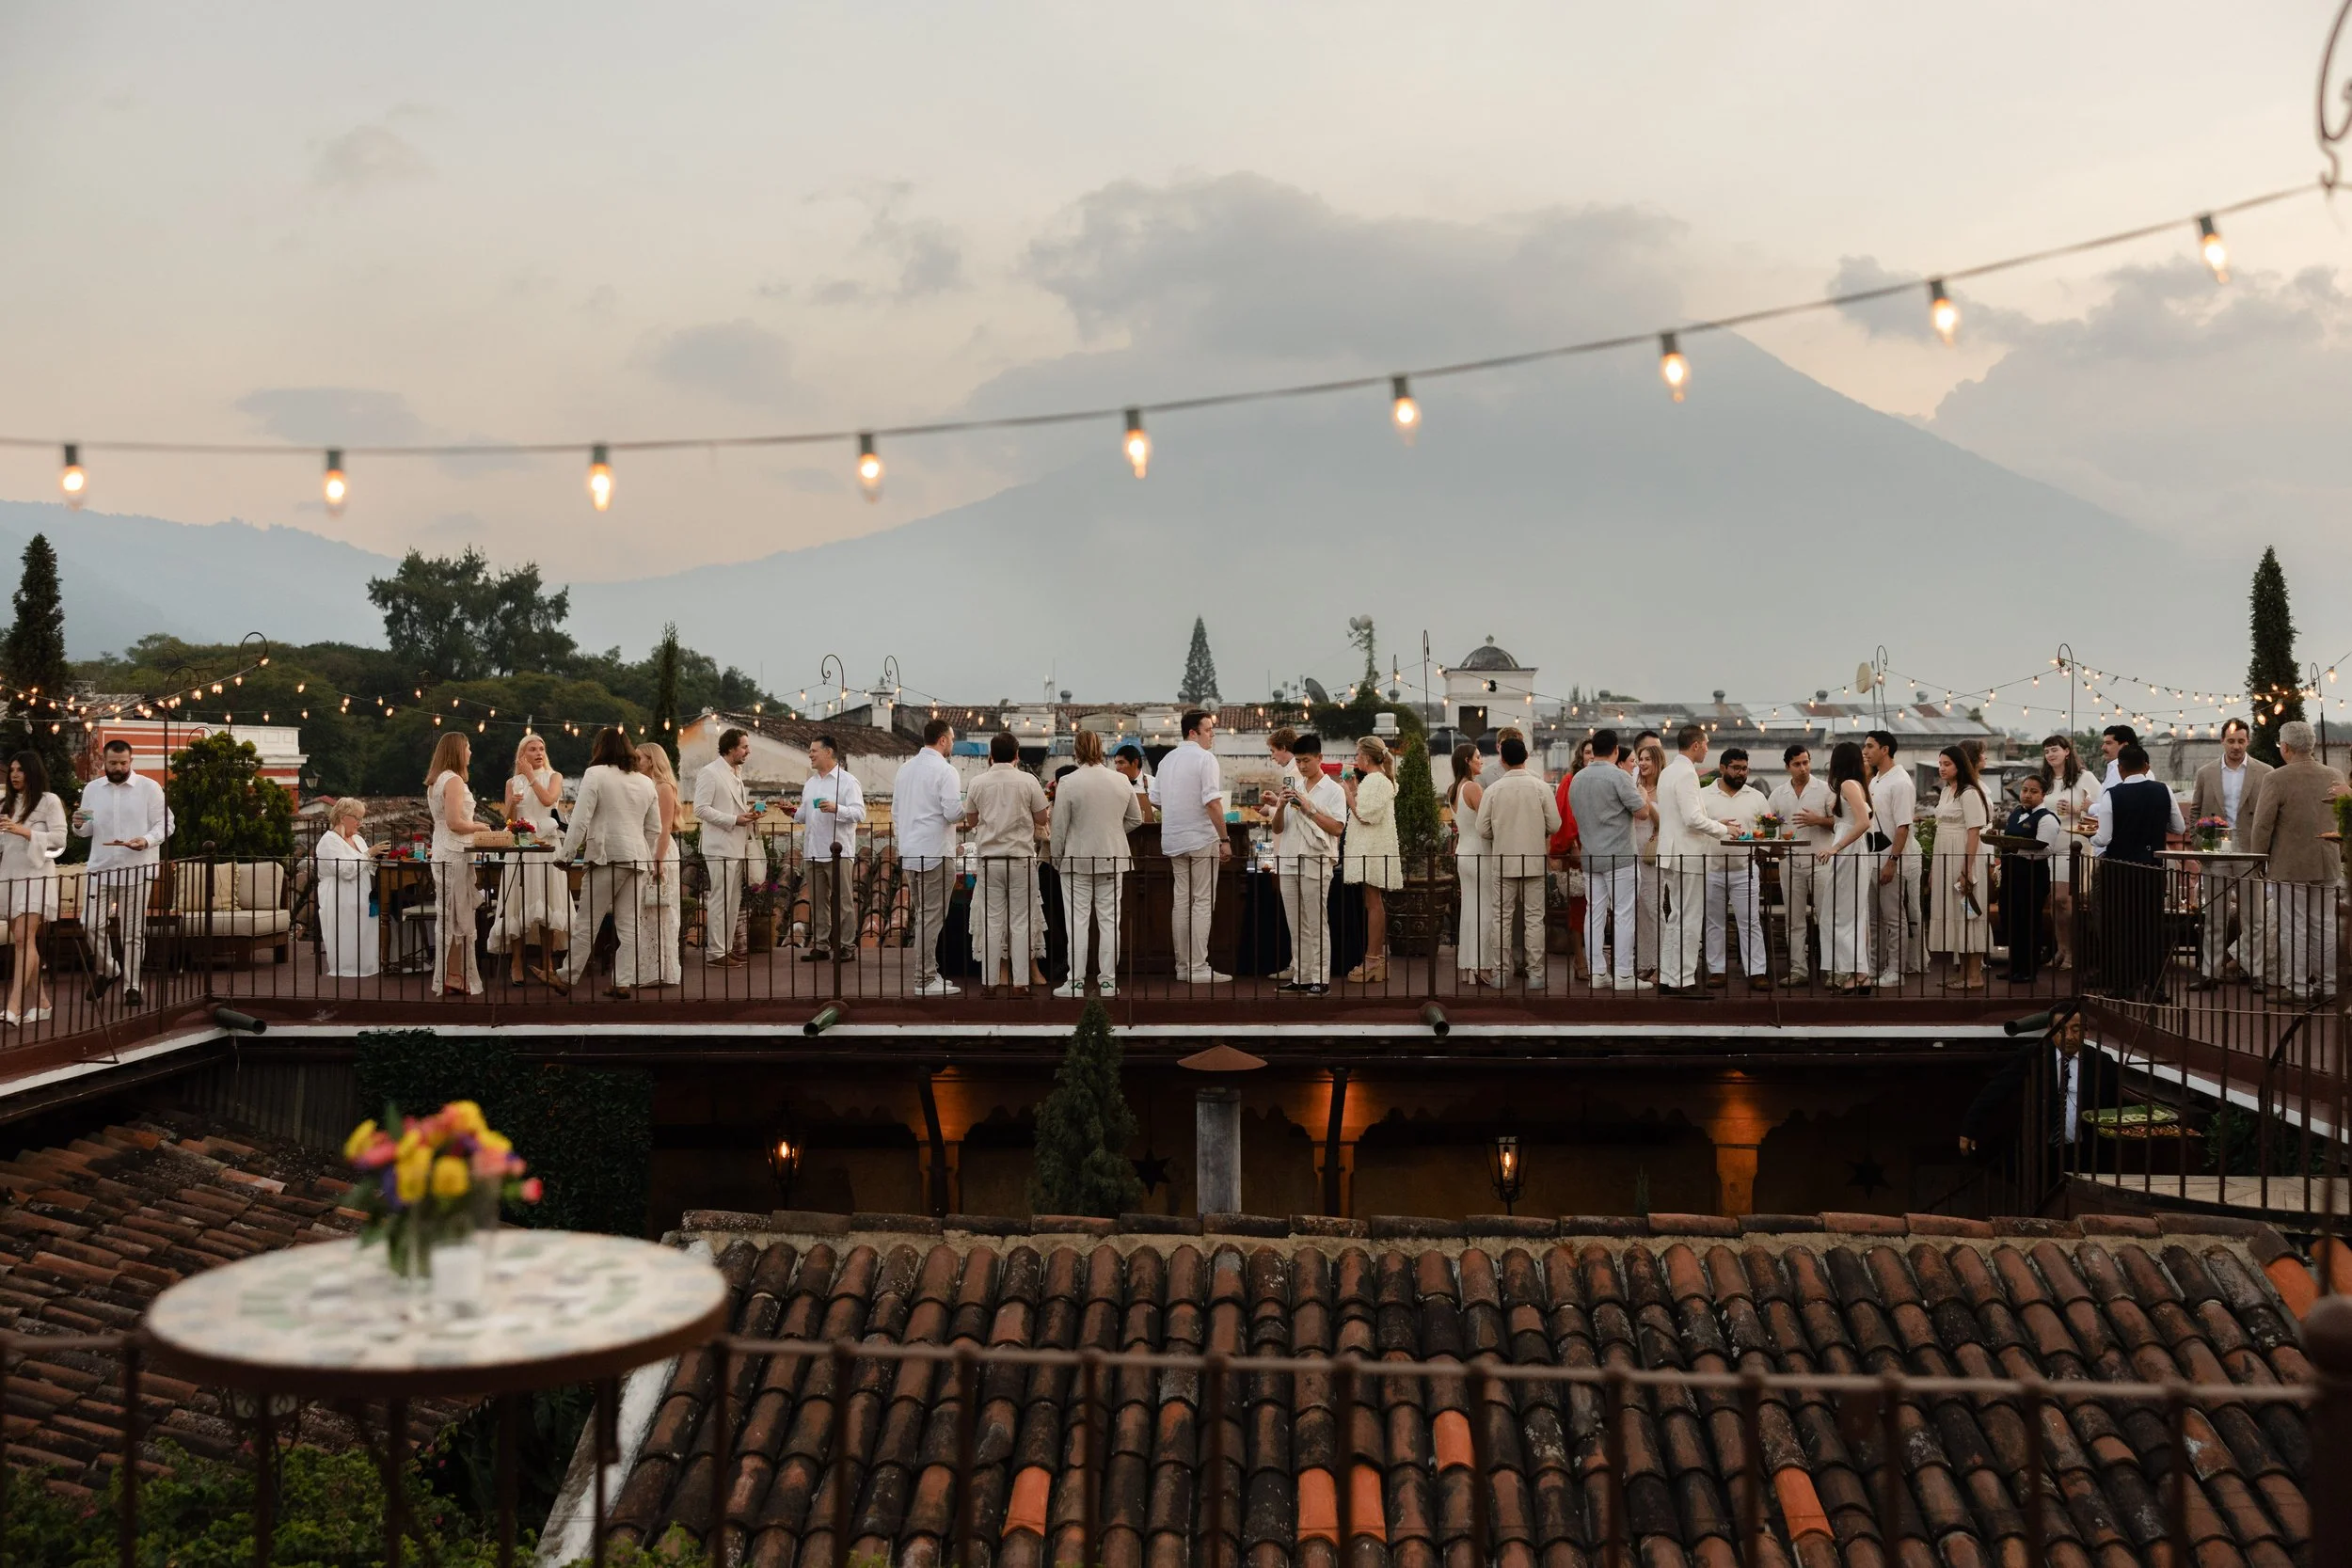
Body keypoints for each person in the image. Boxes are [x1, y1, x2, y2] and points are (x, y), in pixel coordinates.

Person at [2244, 719, 2347, 1005]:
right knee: (2325, 924)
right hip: (2327, 860)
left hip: (2289, 864)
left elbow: (2262, 825)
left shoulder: (2276, 778)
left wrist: (2258, 859)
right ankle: (2327, 986)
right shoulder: (2334, 774)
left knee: (2294, 926)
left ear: (2285, 746)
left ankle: (2298, 988)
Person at [552, 726, 660, 999]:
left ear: (600, 748)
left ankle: (566, 978)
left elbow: (580, 819)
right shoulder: (646, 782)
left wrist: (565, 855)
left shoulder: (595, 774)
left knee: (588, 921)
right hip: (636, 858)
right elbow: (654, 828)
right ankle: (622, 981)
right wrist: (643, 853)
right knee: (629, 925)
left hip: (606, 855)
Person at [1958, 1003, 2122, 1176]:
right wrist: (1969, 1128)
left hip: (2085, 1152)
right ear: (2049, 1031)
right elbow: (1996, 1090)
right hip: (2042, 1150)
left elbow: (2112, 1106)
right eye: (2061, 1030)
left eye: (2076, 1029)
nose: (2069, 1036)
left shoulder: (2102, 1062)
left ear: (2086, 1031)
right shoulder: (2033, 1055)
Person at [74, 737, 167, 1006]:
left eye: (123, 763)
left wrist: (146, 840)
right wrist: (79, 824)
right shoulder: (92, 789)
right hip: (100, 866)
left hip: (136, 868)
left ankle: (133, 986)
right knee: (90, 924)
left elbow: (166, 824)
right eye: (112, 763)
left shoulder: (149, 788)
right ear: (104, 761)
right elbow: (86, 829)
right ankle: (111, 969)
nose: (117, 768)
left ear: (131, 761)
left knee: (133, 932)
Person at [1049, 729, 1142, 997]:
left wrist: (1057, 858)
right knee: (1110, 922)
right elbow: (1135, 819)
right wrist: (1112, 832)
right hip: (1112, 857)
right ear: (1101, 749)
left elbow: (1059, 827)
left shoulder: (1068, 782)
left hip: (1076, 859)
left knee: (1077, 922)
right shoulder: (1121, 780)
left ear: (1076, 752)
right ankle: (1108, 982)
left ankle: (1076, 982)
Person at [2090, 742, 2183, 1001]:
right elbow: (2178, 826)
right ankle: (2155, 986)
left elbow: (2104, 837)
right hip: (2152, 867)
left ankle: (2123, 985)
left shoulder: (2112, 795)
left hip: (2119, 869)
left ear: (2120, 770)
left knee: (2120, 927)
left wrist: (2090, 840)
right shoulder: (2163, 790)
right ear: (2147, 766)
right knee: (2150, 926)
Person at [2187, 718, 2272, 990]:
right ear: (2222, 740)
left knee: (2254, 916)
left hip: (2250, 847)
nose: (2236, 746)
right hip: (2217, 846)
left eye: (2241, 741)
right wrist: (2199, 843)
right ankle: (2210, 973)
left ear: (2248, 741)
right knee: (2215, 915)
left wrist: (2265, 850)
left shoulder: (2265, 771)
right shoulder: (2206, 772)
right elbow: (2196, 811)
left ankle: (2254, 972)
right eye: (2231, 740)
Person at [962, 732, 1050, 996]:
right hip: (1021, 859)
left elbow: (972, 821)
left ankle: (990, 983)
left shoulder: (978, 782)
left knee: (992, 921)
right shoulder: (1028, 781)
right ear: (1017, 755)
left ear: (990, 756)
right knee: (1020, 921)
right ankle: (1021, 982)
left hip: (990, 859)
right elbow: (1042, 816)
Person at [1654, 724, 1733, 998]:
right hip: (1687, 855)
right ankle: (1684, 980)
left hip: (1672, 852)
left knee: (1676, 916)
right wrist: (1723, 830)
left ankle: (1669, 976)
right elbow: (1691, 818)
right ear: (1696, 745)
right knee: (1689, 918)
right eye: (1706, 743)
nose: (1708, 749)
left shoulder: (1667, 772)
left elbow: (1680, 816)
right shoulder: (1687, 773)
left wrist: (1714, 822)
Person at [488, 732, 572, 984]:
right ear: (522, 755)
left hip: (546, 843)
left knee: (547, 901)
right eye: (532, 749)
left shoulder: (554, 777)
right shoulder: (512, 782)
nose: (538, 753)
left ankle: (547, 961)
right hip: (521, 844)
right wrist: (513, 803)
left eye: (541, 748)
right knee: (519, 902)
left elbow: (549, 799)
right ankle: (516, 961)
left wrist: (531, 777)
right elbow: (508, 819)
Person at [1478, 734, 1560, 990]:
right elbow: (1555, 824)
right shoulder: (1541, 787)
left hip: (1503, 860)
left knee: (1501, 918)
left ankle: (1501, 973)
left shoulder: (1493, 790)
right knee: (1535, 919)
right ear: (1526, 757)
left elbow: (1483, 829)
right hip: (1534, 860)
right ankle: (1536, 974)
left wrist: (1500, 833)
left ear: (1502, 758)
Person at [1568, 729, 1647, 989]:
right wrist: (1644, 796)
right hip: (1620, 856)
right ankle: (1624, 974)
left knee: (1594, 915)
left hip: (1591, 856)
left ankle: (1597, 972)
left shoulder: (1577, 779)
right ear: (1615, 750)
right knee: (1624, 914)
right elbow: (1642, 813)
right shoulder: (1619, 776)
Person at [1269, 733, 1346, 994]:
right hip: (1290, 858)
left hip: (1316, 859)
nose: (1302, 767)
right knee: (1295, 922)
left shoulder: (1334, 790)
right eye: (1299, 761)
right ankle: (1301, 976)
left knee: (1316, 921)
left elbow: (1337, 828)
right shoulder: (1294, 786)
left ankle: (1320, 977)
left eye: (1306, 761)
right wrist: (1280, 806)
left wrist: (1309, 809)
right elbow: (1278, 828)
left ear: (1319, 758)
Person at [1158, 709, 1230, 985]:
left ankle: (1183, 966)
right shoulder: (1205, 758)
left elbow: (1156, 798)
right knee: (1201, 903)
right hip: (1201, 838)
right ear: (1193, 732)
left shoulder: (1167, 760)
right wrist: (1225, 839)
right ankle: (1198, 967)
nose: (1212, 734)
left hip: (1174, 839)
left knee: (1182, 902)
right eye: (1209, 729)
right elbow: (1212, 802)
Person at [896, 719, 966, 997]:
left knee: (923, 915)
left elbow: (896, 812)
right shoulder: (945, 771)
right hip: (936, 851)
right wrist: (970, 809)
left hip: (910, 851)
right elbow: (952, 813)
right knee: (932, 917)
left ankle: (929, 972)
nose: (952, 744)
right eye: (951, 739)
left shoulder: (904, 769)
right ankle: (924, 978)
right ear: (943, 740)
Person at [0, 752, 64, 1025]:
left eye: (20, 770)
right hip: (10, 873)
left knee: (25, 939)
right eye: (12, 770)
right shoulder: (5, 804)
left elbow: (60, 840)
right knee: (23, 940)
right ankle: (42, 1003)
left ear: (32, 772)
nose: (14, 775)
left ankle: (13, 1005)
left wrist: (24, 831)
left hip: (37, 874)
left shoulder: (49, 801)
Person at [1699, 747, 1771, 991]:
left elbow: (1769, 829)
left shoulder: (1757, 797)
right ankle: (1717, 971)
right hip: (1711, 867)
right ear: (1722, 768)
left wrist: (1762, 851)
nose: (1742, 773)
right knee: (1713, 922)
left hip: (1745, 869)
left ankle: (1757, 971)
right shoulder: (1703, 796)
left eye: (1745, 769)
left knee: (1750, 921)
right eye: (1736, 768)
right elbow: (1697, 829)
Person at [424, 733, 487, 998]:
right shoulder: (453, 781)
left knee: (451, 914)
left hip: (443, 848)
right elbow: (455, 822)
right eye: (468, 747)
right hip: (454, 850)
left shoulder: (437, 781)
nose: (471, 752)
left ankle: (454, 974)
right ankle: (454, 975)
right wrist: (480, 826)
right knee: (456, 915)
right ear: (458, 751)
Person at [691, 727, 760, 968]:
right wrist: (734, 820)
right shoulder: (710, 773)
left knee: (733, 900)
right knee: (720, 899)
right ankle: (715, 953)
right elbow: (700, 809)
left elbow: (730, 806)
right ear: (731, 748)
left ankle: (726, 948)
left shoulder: (736, 773)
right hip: (719, 846)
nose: (748, 751)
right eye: (744, 746)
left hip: (737, 845)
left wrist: (747, 815)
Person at [1926, 744, 1992, 990]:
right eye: (1940, 763)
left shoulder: (1970, 793)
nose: (1942, 768)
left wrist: (1966, 868)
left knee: (1969, 913)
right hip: (1944, 853)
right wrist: (1934, 869)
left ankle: (1975, 975)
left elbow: (1974, 831)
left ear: (1959, 765)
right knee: (1955, 913)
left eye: (1947, 764)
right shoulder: (1946, 792)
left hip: (1963, 855)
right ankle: (1963, 973)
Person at [1768, 743, 1834, 987]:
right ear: (1788, 766)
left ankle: (1833, 969)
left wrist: (1818, 820)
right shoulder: (1777, 794)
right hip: (1789, 862)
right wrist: (1774, 849)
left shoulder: (1826, 790)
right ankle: (1798, 969)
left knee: (1826, 917)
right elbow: (1768, 827)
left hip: (1821, 859)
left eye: (1806, 762)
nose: (1803, 768)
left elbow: (1841, 823)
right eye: (1797, 764)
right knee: (1793, 919)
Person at [795, 736, 866, 963]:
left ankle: (847, 946)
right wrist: (792, 812)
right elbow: (805, 815)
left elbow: (859, 814)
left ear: (829, 752)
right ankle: (821, 945)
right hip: (813, 851)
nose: (810, 754)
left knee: (843, 901)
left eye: (814, 750)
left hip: (839, 853)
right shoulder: (810, 783)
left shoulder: (848, 782)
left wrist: (837, 808)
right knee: (817, 901)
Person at [1814, 741, 1877, 992]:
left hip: (1849, 852)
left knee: (1842, 914)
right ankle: (1858, 972)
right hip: (1851, 852)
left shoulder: (1849, 785)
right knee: (1844, 913)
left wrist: (1835, 847)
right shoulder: (1855, 785)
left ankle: (1859, 973)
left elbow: (1863, 823)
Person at [1862, 731, 1920, 990]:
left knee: (1894, 918)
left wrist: (1892, 861)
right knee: (1874, 919)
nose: (1866, 751)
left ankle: (1896, 970)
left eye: (1870, 746)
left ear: (1884, 750)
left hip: (1890, 860)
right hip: (1871, 858)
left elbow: (1903, 826)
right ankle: (1875, 967)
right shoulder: (1875, 780)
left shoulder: (1901, 782)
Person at [2037, 735, 2099, 971]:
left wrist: (2076, 810)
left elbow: (2101, 809)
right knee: (2054, 900)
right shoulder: (2047, 780)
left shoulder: (2085, 778)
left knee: (2065, 898)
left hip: (2074, 842)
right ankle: (2060, 947)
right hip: (2049, 843)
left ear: (2066, 751)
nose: (2050, 755)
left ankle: (2073, 951)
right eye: (2046, 752)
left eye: (2054, 750)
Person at [1341, 736, 1400, 984]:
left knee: (1373, 902)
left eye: (1357, 754)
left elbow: (1364, 815)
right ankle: (1373, 957)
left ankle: (1373, 958)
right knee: (1371, 901)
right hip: (1372, 847)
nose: (1355, 759)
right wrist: (1354, 789)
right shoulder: (1377, 780)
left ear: (1366, 756)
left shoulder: (1376, 780)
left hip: (1372, 849)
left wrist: (1347, 793)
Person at [1997, 775, 2062, 985]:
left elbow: (2046, 849)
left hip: (2032, 876)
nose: (2027, 794)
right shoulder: (2016, 813)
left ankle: (2028, 969)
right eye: (2025, 790)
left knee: (2028, 922)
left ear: (2043, 794)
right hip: (2011, 873)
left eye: (2033, 791)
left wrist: (2016, 849)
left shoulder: (2047, 818)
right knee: (2011, 920)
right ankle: (2015, 965)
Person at [634, 744, 683, 988]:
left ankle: (662, 970)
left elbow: (665, 827)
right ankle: (645, 969)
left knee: (661, 910)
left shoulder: (663, 787)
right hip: (642, 848)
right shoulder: (640, 784)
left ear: (651, 760)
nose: (635, 760)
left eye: (639, 757)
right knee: (644, 913)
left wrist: (658, 860)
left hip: (658, 849)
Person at [315, 797, 380, 979]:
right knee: (346, 930)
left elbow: (365, 865)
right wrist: (368, 855)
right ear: (343, 817)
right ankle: (348, 967)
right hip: (339, 894)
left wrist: (375, 859)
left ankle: (368, 965)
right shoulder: (329, 841)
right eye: (357, 818)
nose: (360, 823)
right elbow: (344, 870)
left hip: (362, 892)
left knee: (365, 929)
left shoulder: (358, 840)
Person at [1446, 743, 1488, 982]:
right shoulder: (1473, 787)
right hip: (1480, 853)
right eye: (1478, 757)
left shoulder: (1453, 788)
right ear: (1467, 761)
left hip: (1464, 851)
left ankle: (1469, 967)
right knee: (1485, 908)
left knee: (1470, 909)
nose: (1481, 761)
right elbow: (1486, 823)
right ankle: (1481, 965)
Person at [1630, 738, 1663, 981]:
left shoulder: (1663, 789)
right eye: (1640, 759)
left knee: (1654, 908)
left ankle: (1662, 960)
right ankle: (1645, 960)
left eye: (1647, 759)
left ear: (1657, 762)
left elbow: (1665, 822)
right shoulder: (1632, 785)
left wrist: (1647, 802)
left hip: (1653, 850)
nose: (1642, 763)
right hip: (1633, 847)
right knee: (1639, 908)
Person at [1112, 743, 1156, 824]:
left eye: (1121, 763)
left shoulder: (1153, 784)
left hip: (1148, 834)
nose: (1117, 768)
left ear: (1135, 763)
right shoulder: (1114, 786)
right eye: (1116, 763)